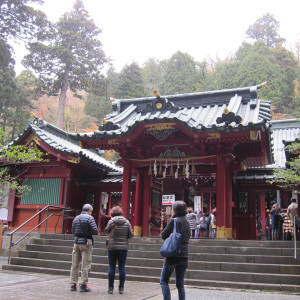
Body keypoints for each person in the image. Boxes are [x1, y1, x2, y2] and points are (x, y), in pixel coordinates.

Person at [160, 201, 190, 300]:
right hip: (184, 255)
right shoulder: (187, 221)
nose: (171, 210)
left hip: (173, 255)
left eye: (172, 208)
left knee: (164, 280)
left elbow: (163, 234)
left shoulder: (174, 220)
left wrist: (170, 237)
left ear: (175, 210)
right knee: (180, 284)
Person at [105, 206, 134, 295]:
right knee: (122, 267)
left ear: (112, 213)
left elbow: (106, 231)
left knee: (112, 267)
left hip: (112, 247)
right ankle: (121, 288)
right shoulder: (127, 222)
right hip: (123, 247)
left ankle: (110, 288)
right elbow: (131, 235)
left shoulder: (111, 221)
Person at [70, 203, 98, 292]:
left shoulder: (76, 218)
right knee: (85, 264)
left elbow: (73, 230)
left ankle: (73, 284)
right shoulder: (90, 218)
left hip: (76, 242)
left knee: (75, 264)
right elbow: (95, 231)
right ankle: (83, 284)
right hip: (86, 242)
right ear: (89, 211)